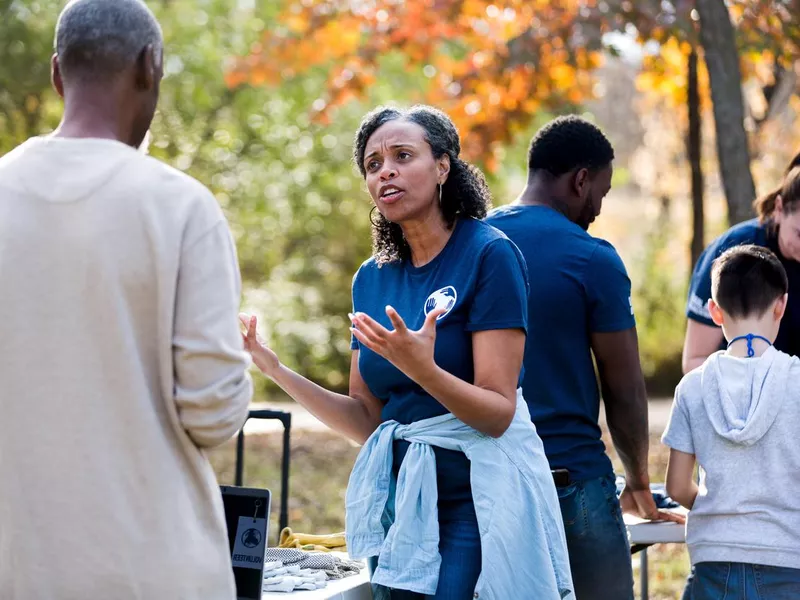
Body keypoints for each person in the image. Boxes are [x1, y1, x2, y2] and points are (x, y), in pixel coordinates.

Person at [241, 105, 573, 600]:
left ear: (443, 167)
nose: (385, 171)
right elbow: (366, 420)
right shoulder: (370, 278)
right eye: (373, 165)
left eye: (402, 155)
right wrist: (276, 370)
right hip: (398, 503)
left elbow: (498, 414)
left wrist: (424, 369)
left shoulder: (489, 254)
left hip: (473, 502)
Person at [0, 1, 253, 598]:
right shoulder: (181, 207)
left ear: (58, 74)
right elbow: (214, 413)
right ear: (151, 65)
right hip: (154, 569)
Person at [486, 115, 683, 600]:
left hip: (492, 483)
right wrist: (638, 481)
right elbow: (625, 388)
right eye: (602, 190)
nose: (598, 206)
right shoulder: (591, 256)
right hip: (574, 483)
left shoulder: (472, 243)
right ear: (580, 180)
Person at [663, 244, 800, 599]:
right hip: (789, 561)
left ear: (714, 312)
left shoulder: (693, 386)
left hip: (713, 565)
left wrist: (722, 505)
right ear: (781, 305)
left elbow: (677, 487)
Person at [683, 152, 800, 372]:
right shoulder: (732, 251)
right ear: (779, 208)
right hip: (735, 393)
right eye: (799, 235)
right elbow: (695, 360)